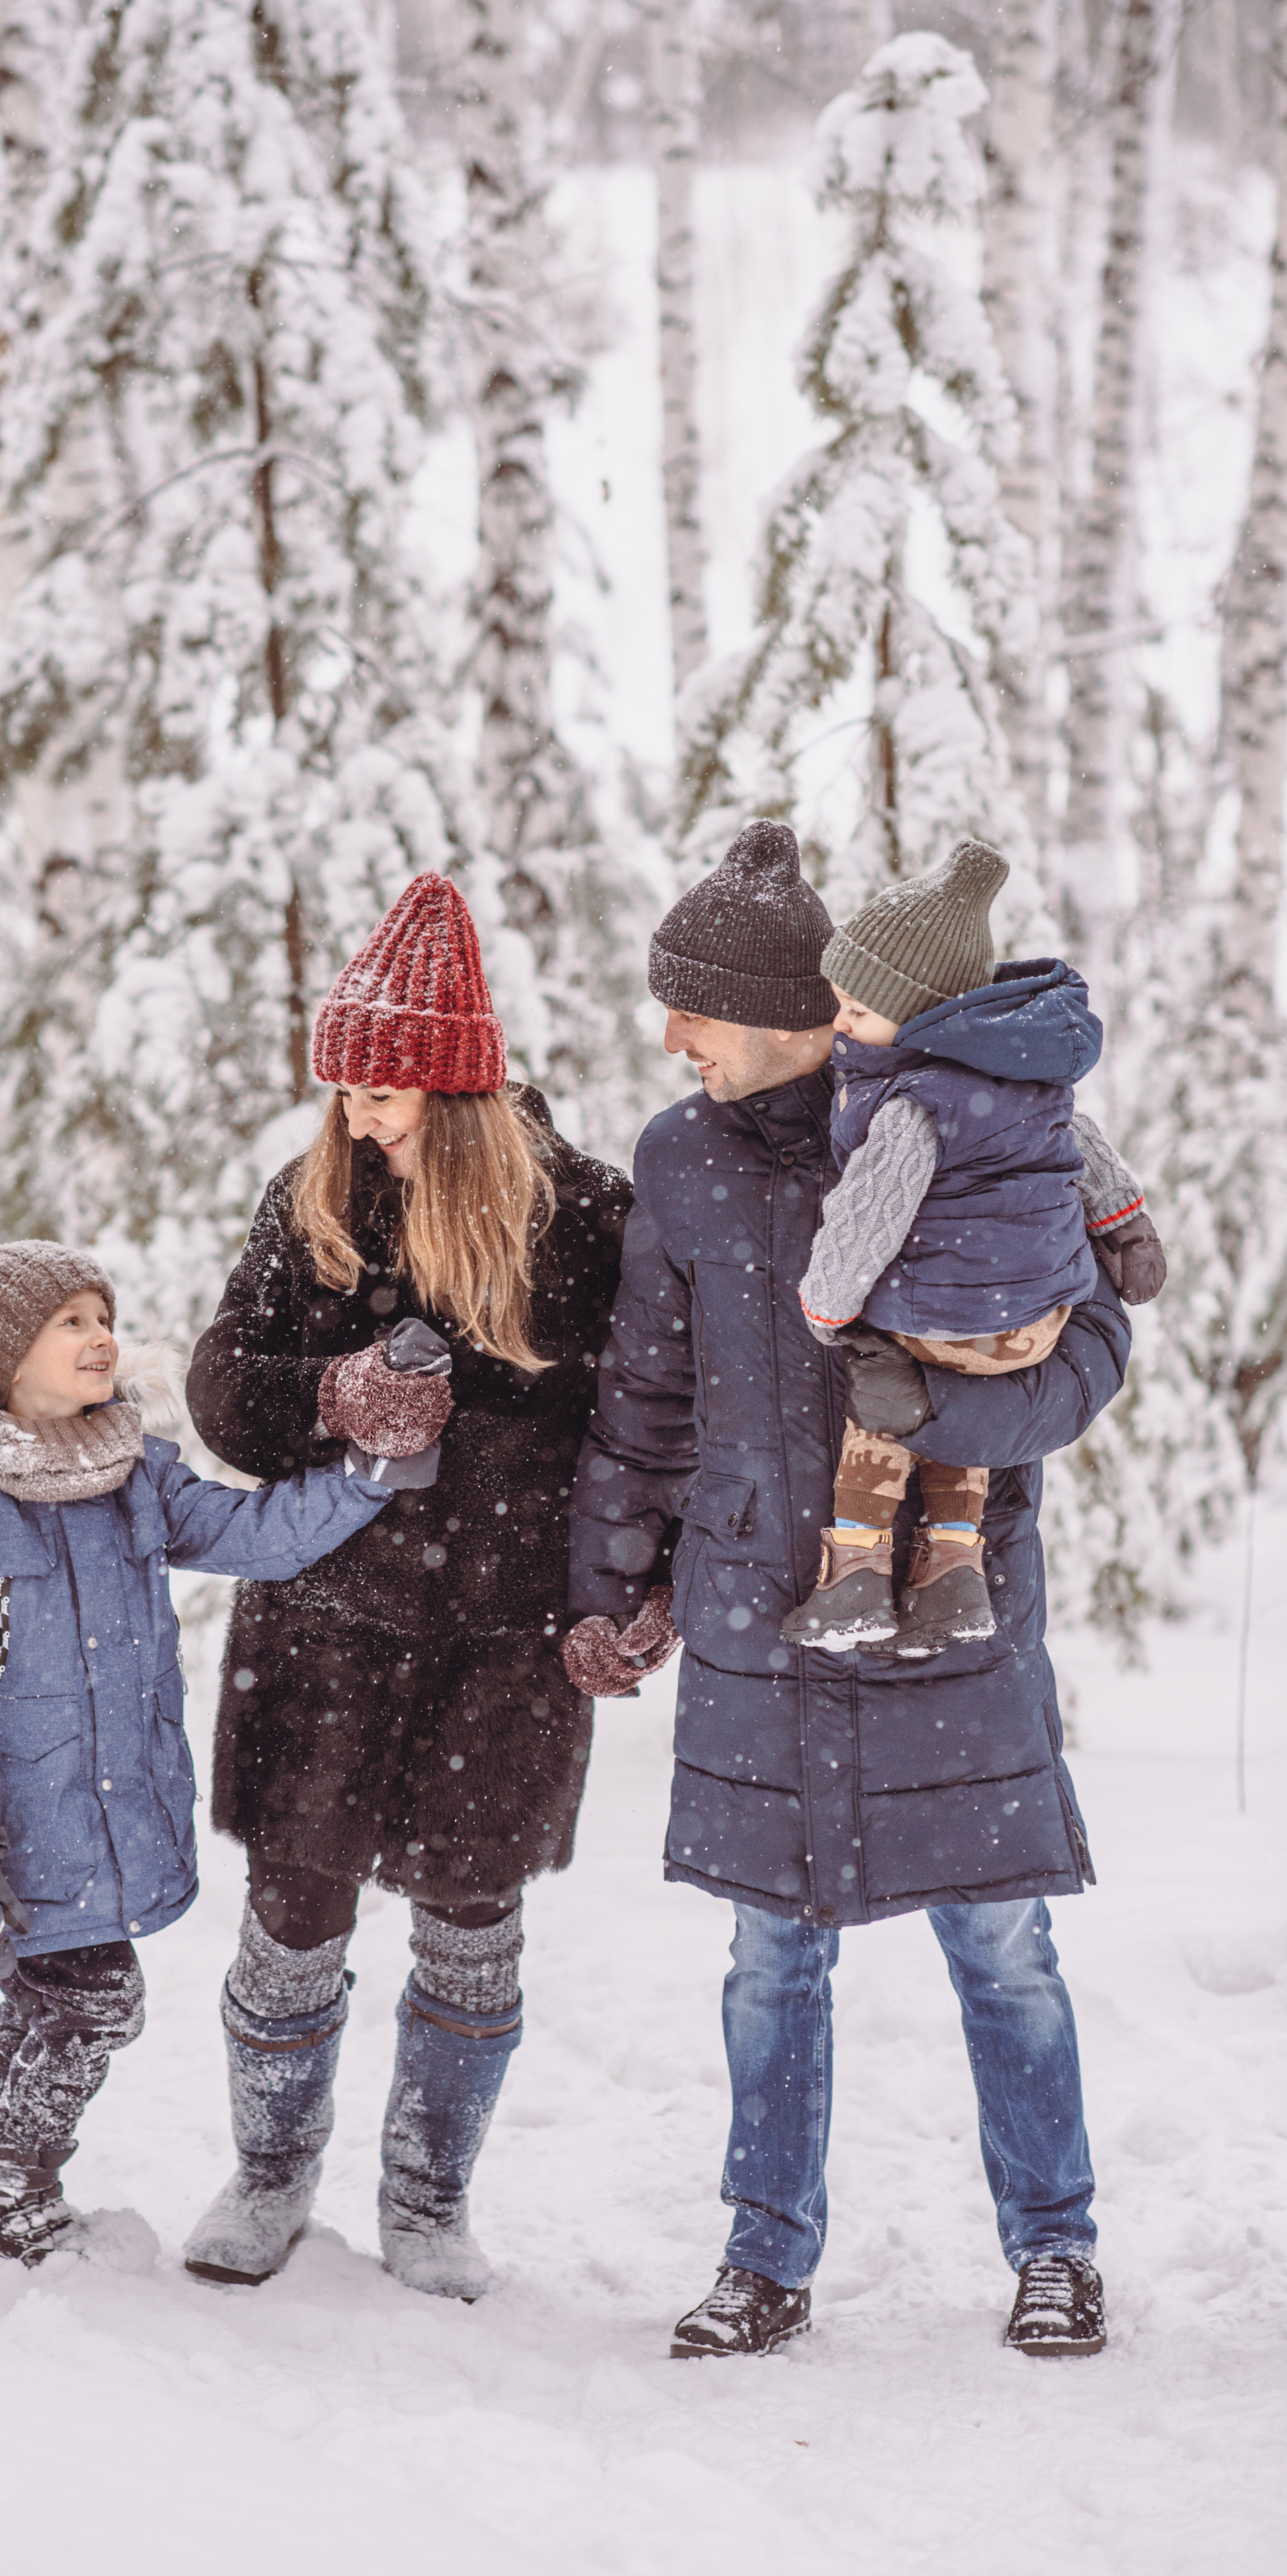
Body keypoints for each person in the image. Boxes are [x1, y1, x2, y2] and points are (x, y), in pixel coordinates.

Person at [564, 820, 1163, 2362]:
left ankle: (1054, 2244)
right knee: (771, 1957)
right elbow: (643, 1383)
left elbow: (1085, 1344)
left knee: (1000, 1947)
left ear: (785, 1013)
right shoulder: (678, 1157)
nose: (670, 1037)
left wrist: (938, 1417)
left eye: (688, 1007)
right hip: (761, 1608)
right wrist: (611, 1574)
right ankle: (762, 2259)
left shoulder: (942, 1117)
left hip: (945, 1600)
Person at [181, 871, 631, 2300]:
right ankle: (267, 2181)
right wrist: (334, 1391)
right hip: (321, 1629)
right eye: (343, 1088)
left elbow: (645, 1428)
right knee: (292, 1915)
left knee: (470, 1923)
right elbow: (219, 1393)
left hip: (506, 1644)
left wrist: (635, 1586)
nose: (354, 1114)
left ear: (454, 1091)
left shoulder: (583, 1220)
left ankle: (428, 2202)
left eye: (381, 1090)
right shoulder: (308, 1202)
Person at [0, 1238, 444, 2266]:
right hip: (29, 1825)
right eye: (72, 1322)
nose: (103, 1337)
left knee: (57, 2003)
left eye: (105, 1316)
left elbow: (259, 1534)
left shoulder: (136, 1474)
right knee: (90, 2000)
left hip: (118, 1810)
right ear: (4, 1355)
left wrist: (369, 1474)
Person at [784, 836, 1163, 1655]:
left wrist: (828, 1307)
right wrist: (1125, 1224)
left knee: (881, 1402)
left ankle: (854, 1571)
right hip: (1036, 1322)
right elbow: (1082, 1144)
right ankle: (952, 1573)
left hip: (947, 1319)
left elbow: (868, 1213)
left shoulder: (911, 1101)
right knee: (961, 1416)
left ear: (917, 1014)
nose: (840, 1022)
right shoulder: (1025, 1075)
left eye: (856, 1008)